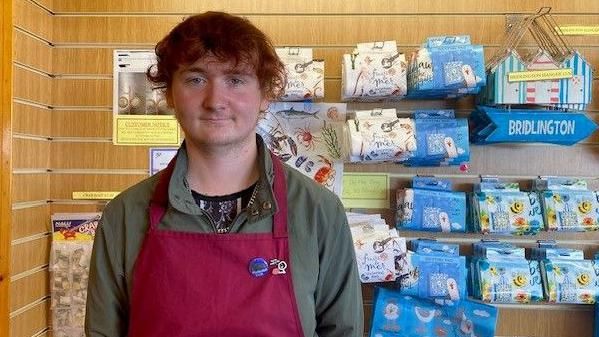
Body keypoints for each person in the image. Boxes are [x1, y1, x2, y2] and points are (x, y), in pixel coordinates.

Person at [85, 11, 363, 337]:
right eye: (195, 79)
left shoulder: (318, 212)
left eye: (235, 79)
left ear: (265, 95)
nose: (216, 101)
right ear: (170, 95)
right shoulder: (124, 216)